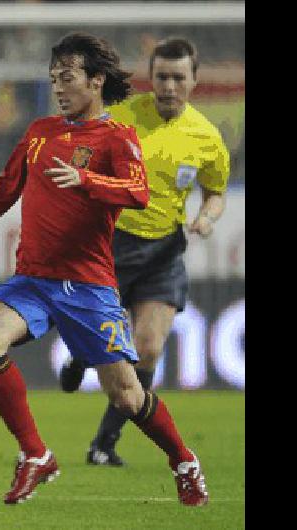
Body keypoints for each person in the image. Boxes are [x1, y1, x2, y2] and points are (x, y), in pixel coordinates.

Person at [0, 33, 208, 507]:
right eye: (54, 78)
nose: (59, 86)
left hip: (88, 287)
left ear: (95, 82)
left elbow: (137, 192)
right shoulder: (39, 133)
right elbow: (1, 193)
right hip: (32, 279)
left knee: (127, 397)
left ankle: (183, 460)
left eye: (68, 77)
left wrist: (87, 179)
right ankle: (35, 455)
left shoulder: (118, 138)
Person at [58, 37, 230, 467]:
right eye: (161, 77)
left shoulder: (207, 139)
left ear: (194, 81)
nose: (169, 85)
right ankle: (81, 351)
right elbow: (84, 157)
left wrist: (207, 217)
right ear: (150, 79)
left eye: (178, 77)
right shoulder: (123, 117)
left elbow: (216, 192)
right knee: (102, 335)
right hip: (112, 242)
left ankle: (104, 443)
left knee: (148, 348)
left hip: (164, 251)